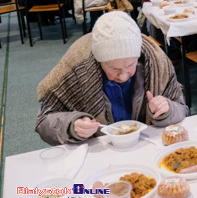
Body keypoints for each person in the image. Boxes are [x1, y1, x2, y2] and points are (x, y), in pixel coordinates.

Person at [35, 11, 188, 145]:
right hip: (97, 155)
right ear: (99, 61)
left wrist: (167, 109)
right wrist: (71, 126)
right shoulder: (77, 64)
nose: (123, 76)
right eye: (114, 69)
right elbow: (43, 122)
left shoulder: (155, 61)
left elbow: (182, 108)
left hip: (145, 146)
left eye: (130, 65)